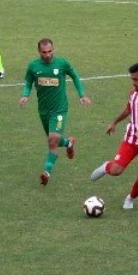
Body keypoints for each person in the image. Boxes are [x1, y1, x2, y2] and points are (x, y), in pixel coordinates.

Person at [90, 62, 138, 210]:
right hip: (131, 140)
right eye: (132, 79)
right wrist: (114, 123)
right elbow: (128, 110)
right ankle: (106, 166)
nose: (134, 83)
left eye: (136, 79)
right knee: (116, 171)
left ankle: (130, 198)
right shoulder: (133, 94)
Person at [19, 38, 92, 185]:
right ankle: (68, 143)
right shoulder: (33, 66)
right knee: (54, 140)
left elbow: (75, 76)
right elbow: (28, 82)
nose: (47, 55)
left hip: (59, 109)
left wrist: (82, 95)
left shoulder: (62, 64)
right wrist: (25, 95)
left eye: (50, 51)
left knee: (52, 140)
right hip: (43, 111)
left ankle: (47, 172)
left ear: (54, 49)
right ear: (39, 51)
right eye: (44, 52)